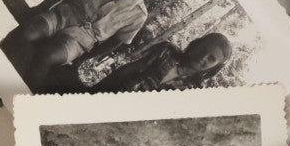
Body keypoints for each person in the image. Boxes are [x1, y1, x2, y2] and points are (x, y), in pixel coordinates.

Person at [1, 0, 176, 91]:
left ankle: (29, 99)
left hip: (81, 40)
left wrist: (81, 60)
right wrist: (42, 7)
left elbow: (116, 42)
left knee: (47, 56)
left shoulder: (138, 16)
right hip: (63, 15)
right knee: (27, 31)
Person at [87, 32, 234, 93]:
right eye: (204, 49)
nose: (203, 58)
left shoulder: (196, 90)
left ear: (215, 67)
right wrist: (95, 92)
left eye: (211, 59)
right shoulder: (167, 51)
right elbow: (128, 71)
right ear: (197, 44)